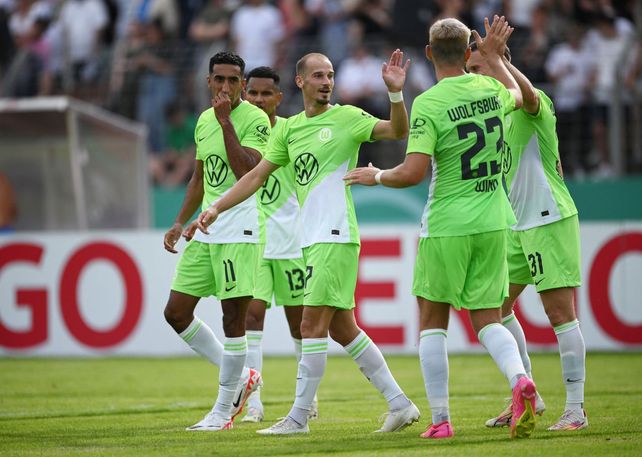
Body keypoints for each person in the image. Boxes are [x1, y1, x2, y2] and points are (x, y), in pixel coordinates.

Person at [193, 49, 420, 436]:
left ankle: (297, 417)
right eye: (318, 75)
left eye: (330, 74)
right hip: (311, 240)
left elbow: (397, 131)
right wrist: (216, 207)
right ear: (300, 82)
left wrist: (396, 95)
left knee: (311, 324)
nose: (326, 81)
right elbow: (254, 177)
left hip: (336, 235)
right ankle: (400, 404)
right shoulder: (289, 129)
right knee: (342, 329)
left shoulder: (347, 118)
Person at [343, 16, 537, 440]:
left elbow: (413, 173)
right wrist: (493, 58)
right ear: (469, 53)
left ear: (429, 53)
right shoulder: (490, 89)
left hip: (448, 221)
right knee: (488, 319)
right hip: (494, 220)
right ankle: (520, 378)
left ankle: (441, 420)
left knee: (433, 321)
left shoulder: (429, 103)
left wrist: (375, 175)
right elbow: (523, 98)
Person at [466, 20, 587, 432]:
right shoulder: (490, 115)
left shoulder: (535, 104)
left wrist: (496, 59)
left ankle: (576, 410)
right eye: (469, 72)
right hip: (514, 226)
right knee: (495, 311)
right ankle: (526, 394)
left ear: (502, 66)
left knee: (559, 314)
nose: (472, 78)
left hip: (549, 219)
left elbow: (530, 97)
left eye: (478, 70)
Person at [162, 51, 271, 432]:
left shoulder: (256, 119)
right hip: (206, 230)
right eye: (219, 79)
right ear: (208, 81)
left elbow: (248, 172)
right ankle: (242, 377)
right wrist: (179, 221)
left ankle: (223, 411)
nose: (226, 87)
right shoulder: (203, 120)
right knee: (175, 312)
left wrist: (227, 122)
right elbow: (199, 178)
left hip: (240, 231)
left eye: (233, 80)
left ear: (243, 83)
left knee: (233, 320)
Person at [240, 65, 318, 423]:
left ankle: (308, 397)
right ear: (245, 94)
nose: (258, 100)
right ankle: (254, 403)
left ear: (278, 98)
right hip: (256, 242)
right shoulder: (240, 135)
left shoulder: (292, 130)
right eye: (252, 93)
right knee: (250, 316)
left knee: (298, 326)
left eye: (265, 93)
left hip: (292, 244)